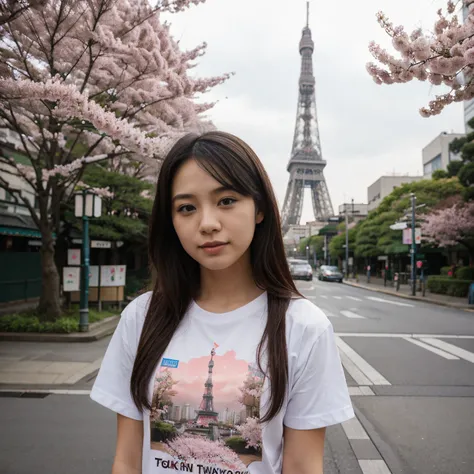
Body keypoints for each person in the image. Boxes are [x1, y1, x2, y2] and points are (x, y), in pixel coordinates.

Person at [90, 131, 355, 474]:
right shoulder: (141, 318)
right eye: (186, 208)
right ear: (171, 221)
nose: (208, 224)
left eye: (226, 200)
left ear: (259, 209)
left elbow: (303, 467)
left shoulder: (304, 327)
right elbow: (127, 460)